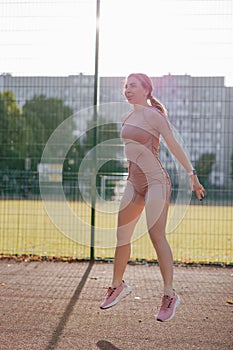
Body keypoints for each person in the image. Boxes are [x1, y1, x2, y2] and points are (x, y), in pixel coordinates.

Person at [100, 73, 205, 322]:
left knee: (156, 236)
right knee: (122, 234)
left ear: (147, 90)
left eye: (133, 86)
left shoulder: (154, 116)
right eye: (125, 86)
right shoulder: (126, 117)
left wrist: (192, 174)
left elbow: (174, 144)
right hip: (133, 182)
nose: (127, 90)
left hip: (157, 182)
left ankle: (170, 294)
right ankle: (118, 286)